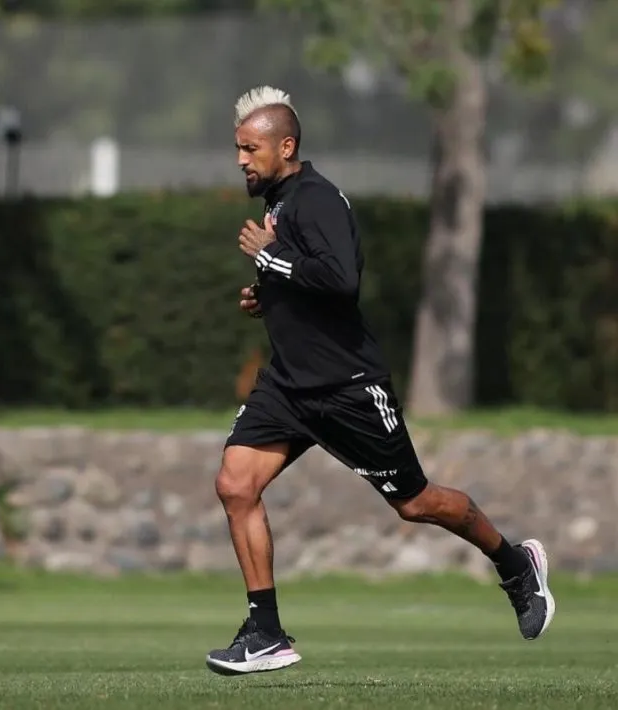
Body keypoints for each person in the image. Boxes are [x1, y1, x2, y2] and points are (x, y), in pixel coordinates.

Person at [205, 85, 555, 676]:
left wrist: (269, 260)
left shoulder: (316, 199)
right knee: (236, 486)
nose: (241, 159)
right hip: (290, 387)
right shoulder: (282, 204)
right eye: (238, 148)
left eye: (250, 149)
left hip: (347, 387)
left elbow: (341, 281)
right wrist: (268, 297)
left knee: (416, 503)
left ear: (285, 147)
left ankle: (516, 564)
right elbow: (309, 284)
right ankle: (265, 632)